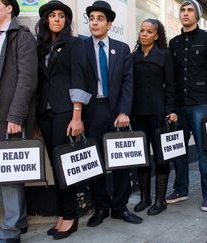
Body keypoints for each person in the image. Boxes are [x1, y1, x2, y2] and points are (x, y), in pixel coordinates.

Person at [0, 0, 38, 242]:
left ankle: (10, 231)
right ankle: (16, 222)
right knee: (7, 172)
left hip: (11, 114)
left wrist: (16, 115)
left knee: (9, 173)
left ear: (9, 8)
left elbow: (27, 79)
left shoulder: (22, 37)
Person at [83, 0, 142, 227]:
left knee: (121, 160)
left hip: (117, 110)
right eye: (92, 19)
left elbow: (128, 82)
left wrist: (124, 111)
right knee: (95, 160)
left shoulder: (122, 48)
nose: (95, 23)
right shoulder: (82, 47)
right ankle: (101, 207)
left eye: (100, 19)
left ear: (109, 24)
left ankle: (119, 207)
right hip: (93, 110)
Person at [35, 1, 90, 239]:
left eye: (61, 16)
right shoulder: (41, 46)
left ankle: (70, 217)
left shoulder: (74, 43)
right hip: (45, 113)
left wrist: (77, 115)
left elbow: (80, 77)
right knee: (55, 168)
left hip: (65, 111)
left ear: (66, 21)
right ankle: (61, 213)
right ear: (46, 20)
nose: (57, 19)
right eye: (52, 15)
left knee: (63, 167)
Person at [166, 0, 207, 212]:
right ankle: (181, 189)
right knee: (178, 150)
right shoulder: (174, 42)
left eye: (190, 10)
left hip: (201, 103)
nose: (186, 13)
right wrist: (170, 107)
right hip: (179, 104)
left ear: (197, 15)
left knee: (203, 151)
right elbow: (171, 78)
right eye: (183, 10)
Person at [131, 19, 177, 215]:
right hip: (138, 115)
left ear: (156, 36)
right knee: (142, 158)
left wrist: (171, 111)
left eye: (149, 32)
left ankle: (160, 200)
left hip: (159, 114)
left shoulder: (165, 55)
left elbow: (171, 86)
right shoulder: (133, 57)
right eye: (142, 30)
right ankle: (144, 198)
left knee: (160, 157)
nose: (144, 34)